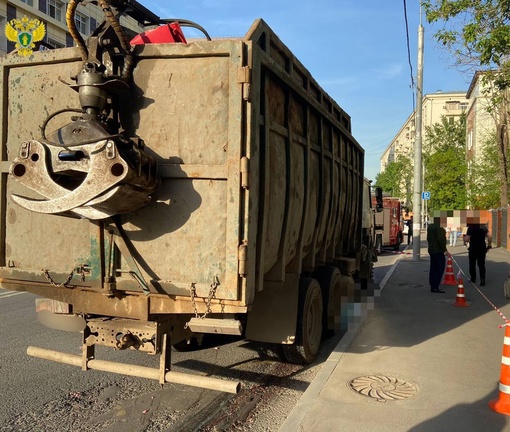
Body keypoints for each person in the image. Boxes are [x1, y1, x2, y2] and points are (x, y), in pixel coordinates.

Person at [427, 218, 449, 293]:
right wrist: (445, 250)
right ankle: (435, 286)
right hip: (438, 250)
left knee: (433, 268)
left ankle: (433, 285)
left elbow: (428, 238)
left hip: (432, 249)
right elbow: (441, 240)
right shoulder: (439, 228)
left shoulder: (430, 226)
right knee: (439, 268)